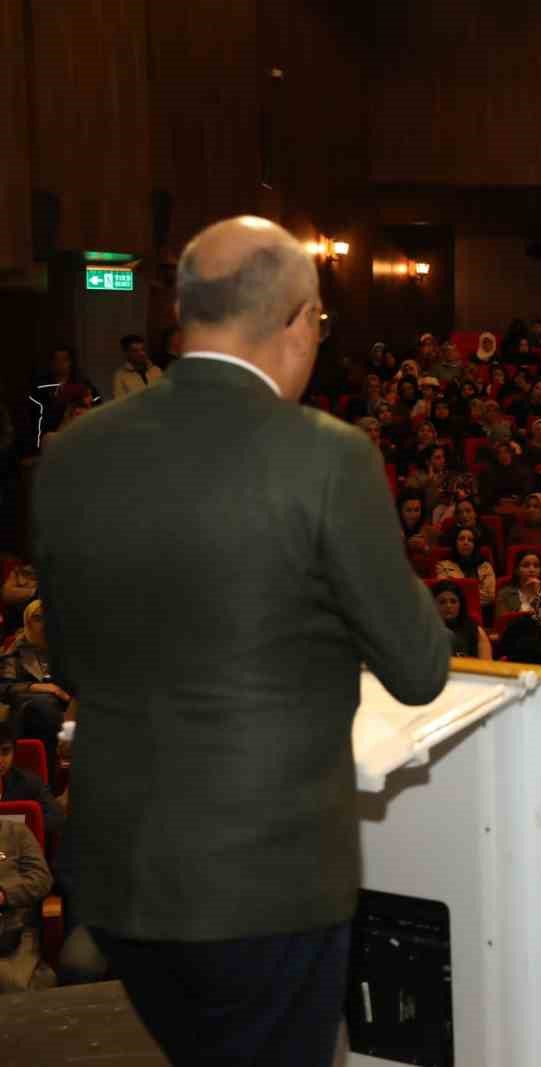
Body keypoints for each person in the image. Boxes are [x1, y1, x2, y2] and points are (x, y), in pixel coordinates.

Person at [31, 216, 452, 1065]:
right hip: (269, 881)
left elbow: (73, 662)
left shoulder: (73, 454)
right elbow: (418, 665)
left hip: (121, 882)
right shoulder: (327, 458)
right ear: (299, 322)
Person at [0, 599, 72, 773]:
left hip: (66, 707)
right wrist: (45, 688)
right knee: (44, 704)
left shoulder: (67, 651)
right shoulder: (17, 650)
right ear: (27, 623)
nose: (44, 623)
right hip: (29, 711)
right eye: (37, 618)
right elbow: (4, 688)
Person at [0, 805, 53, 991]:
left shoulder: (16, 833)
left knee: (10, 982)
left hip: (11, 929)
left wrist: (4, 894)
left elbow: (42, 879)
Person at [433, 582, 491, 659]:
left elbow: (486, 664)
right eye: (442, 602)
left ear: (461, 604)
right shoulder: (425, 630)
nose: (448, 606)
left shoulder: (476, 631)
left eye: (453, 601)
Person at [111, 333, 163, 399]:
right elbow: (120, 402)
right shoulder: (121, 376)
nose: (141, 354)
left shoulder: (156, 370)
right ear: (127, 353)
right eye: (135, 351)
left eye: (142, 349)